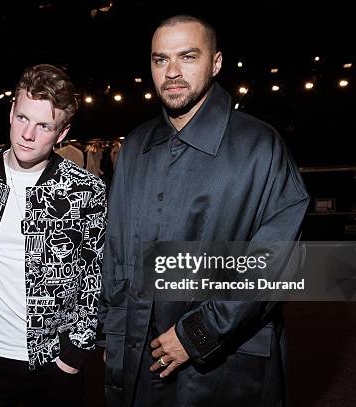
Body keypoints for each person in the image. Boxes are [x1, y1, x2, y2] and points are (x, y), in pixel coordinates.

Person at [98, 15, 310, 406]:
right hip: (141, 358)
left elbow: (276, 262)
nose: (172, 72)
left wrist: (196, 334)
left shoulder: (260, 146)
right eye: (160, 60)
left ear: (215, 63)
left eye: (188, 56)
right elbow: (117, 253)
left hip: (225, 367)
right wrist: (112, 332)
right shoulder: (136, 146)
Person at [0, 64, 107, 407]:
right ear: (10, 112)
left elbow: (96, 274)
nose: (28, 134)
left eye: (44, 125)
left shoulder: (83, 190)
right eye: (22, 118)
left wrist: (75, 353)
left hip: (51, 363)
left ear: (62, 133)